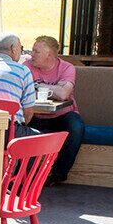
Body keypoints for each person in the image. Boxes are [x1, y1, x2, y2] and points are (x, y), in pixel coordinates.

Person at [22, 35, 85, 185]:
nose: (31, 54)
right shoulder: (26, 66)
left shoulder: (66, 68)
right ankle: (26, 175)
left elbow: (64, 94)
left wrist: (37, 86)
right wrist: (55, 88)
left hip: (61, 115)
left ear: (48, 55)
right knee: (17, 125)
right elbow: (22, 92)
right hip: (34, 115)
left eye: (36, 51)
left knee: (76, 126)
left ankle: (58, 173)